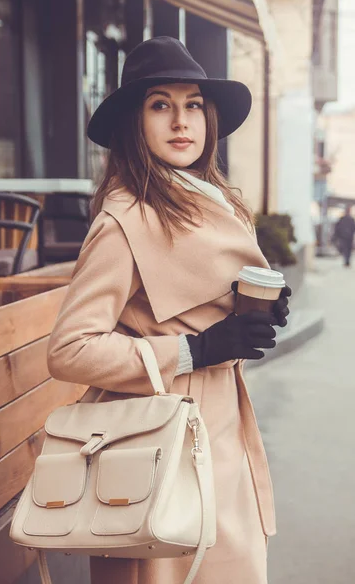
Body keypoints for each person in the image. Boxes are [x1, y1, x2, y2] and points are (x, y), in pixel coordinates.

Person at [47, 37, 291, 584]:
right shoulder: (123, 220)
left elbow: (213, 309)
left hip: (224, 435)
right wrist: (193, 348)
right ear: (135, 122)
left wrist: (258, 317)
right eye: (160, 104)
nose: (181, 121)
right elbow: (68, 350)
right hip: (156, 447)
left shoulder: (217, 203)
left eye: (193, 105)